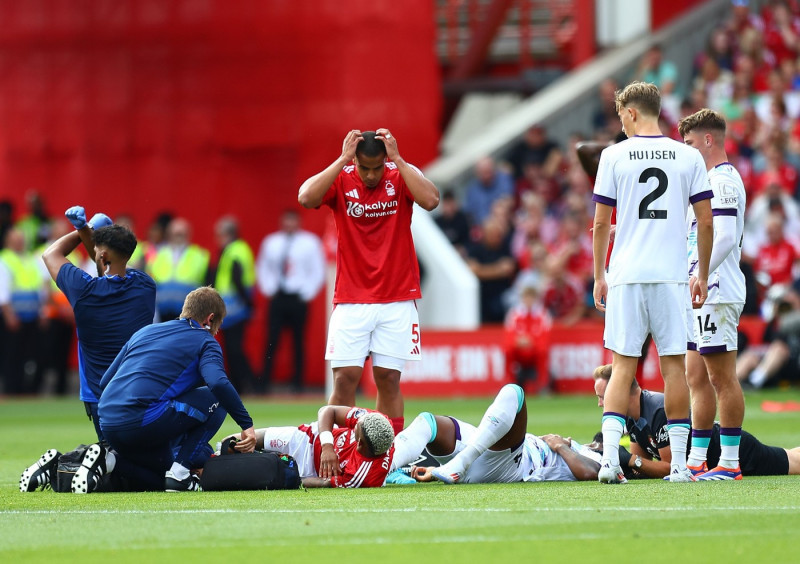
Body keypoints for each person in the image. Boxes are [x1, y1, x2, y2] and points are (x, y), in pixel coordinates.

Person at [591, 81, 714, 484]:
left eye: (620, 115)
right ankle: (679, 465)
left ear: (629, 112)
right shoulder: (688, 156)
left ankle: (610, 461)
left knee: (623, 368)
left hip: (626, 275)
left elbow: (600, 223)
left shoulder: (612, 156)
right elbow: (706, 220)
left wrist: (599, 275)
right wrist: (704, 273)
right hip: (671, 275)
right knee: (674, 368)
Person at [297, 129, 439, 435]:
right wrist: (342, 159)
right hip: (351, 297)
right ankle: (341, 450)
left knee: (388, 378)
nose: (372, 175)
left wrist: (398, 159)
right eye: (365, 168)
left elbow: (430, 200)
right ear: (356, 162)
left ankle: (389, 458)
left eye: (377, 168)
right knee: (345, 378)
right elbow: (306, 197)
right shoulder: (342, 176)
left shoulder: (401, 173)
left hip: (397, 296)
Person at [82, 286, 257, 494]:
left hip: (109, 423)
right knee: (217, 399)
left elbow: (105, 382)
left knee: (162, 475)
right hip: (143, 420)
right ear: (209, 320)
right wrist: (246, 425)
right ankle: (180, 472)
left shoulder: (145, 331)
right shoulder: (205, 341)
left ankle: (110, 462)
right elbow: (218, 384)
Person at [41, 206, 156, 441]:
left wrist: (84, 229)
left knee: (114, 460)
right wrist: (88, 232)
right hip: (139, 391)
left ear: (102, 256)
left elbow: (50, 254)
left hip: (99, 396)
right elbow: (107, 268)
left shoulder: (83, 291)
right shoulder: (145, 286)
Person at [679, 109, 748, 480]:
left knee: (722, 377)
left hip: (716, 290)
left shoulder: (722, 181)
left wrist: (702, 275)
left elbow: (722, 235)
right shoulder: (706, 179)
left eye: (689, 143)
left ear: (709, 140)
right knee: (695, 375)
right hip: (701, 287)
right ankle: (697, 459)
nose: (686, 150)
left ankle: (731, 463)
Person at [593, 364, 800, 479]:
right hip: (713, 459)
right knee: (789, 455)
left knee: (792, 462)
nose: (601, 404)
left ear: (621, 390)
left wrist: (629, 460)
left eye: (603, 397)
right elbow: (643, 464)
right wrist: (625, 461)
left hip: (735, 451)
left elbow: (671, 467)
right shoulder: (631, 417)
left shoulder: (657, 410)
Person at [389, 384, 601, 484]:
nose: (594, 443)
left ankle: (460, 463)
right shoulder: (580, 448)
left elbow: (591, 472)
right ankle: (378, 469)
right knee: (428, 423)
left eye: (597, 443)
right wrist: (436, 470)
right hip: (483, 453)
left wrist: (560, 445)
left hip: (508, 466)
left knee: (514, 393)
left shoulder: (601, 457)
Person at [225, 404, 395, 488]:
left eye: (355, 429)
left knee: (253, 474)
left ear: (359, 444)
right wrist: (328, 447)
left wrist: (290, 480)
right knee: (233, 443)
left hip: (308, 469)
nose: (355, 424)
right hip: (306, 437)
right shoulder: (373, 420)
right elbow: (328, 411)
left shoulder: (362, 476)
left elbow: (324, 483)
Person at [256, 209, 325, 393]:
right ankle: (265, 383)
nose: (289, 225)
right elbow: (263, 267)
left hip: (297, 298)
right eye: (286, 221)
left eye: (292, 221)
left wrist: (306, 293)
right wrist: (269, 289)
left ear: (298, 222)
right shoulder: (272, 242)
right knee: (272, 340)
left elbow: (318, 270)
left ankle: (298, 384)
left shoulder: (310, 243)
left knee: (298, 341)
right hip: (278, 296)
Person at [208, 215, 257, 394]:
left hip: (235, 307)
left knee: (234, 349)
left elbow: (236, 279)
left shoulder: (233, 251)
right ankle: (242, 383)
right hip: (235, 306)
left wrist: (248, 304)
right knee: (233, 349)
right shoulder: (239, 249)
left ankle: (246, 383)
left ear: (228, 234)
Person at [0, 227, 46, 394]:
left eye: (21, 238)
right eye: (15, 238)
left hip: (32, 315)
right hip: (14, 316)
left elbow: (40, 288)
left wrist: (42, 312)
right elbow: (2, 291)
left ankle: (29, 391)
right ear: (7, 241)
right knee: (12, 356)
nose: (20, 241)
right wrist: (9, 315)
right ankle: (12, 391)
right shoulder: (4, 259)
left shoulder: (30, 259)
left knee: (33, 355)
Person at [148, 217, 209, 321]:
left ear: (188, 235)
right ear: (169, 235)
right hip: (162, 311)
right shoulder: (159, 254)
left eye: (181, 234)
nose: (178, 237)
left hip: (188, 311)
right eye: (176, 234)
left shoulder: (199, 255)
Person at [462, 156, 514, 226]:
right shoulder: (472, 191)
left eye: (489, 171)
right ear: (477, 174)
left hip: (508, 222)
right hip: (486, 229)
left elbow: (509, 200)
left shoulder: (504, 178)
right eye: (484, 173)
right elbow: (471, 215)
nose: (487, 176)